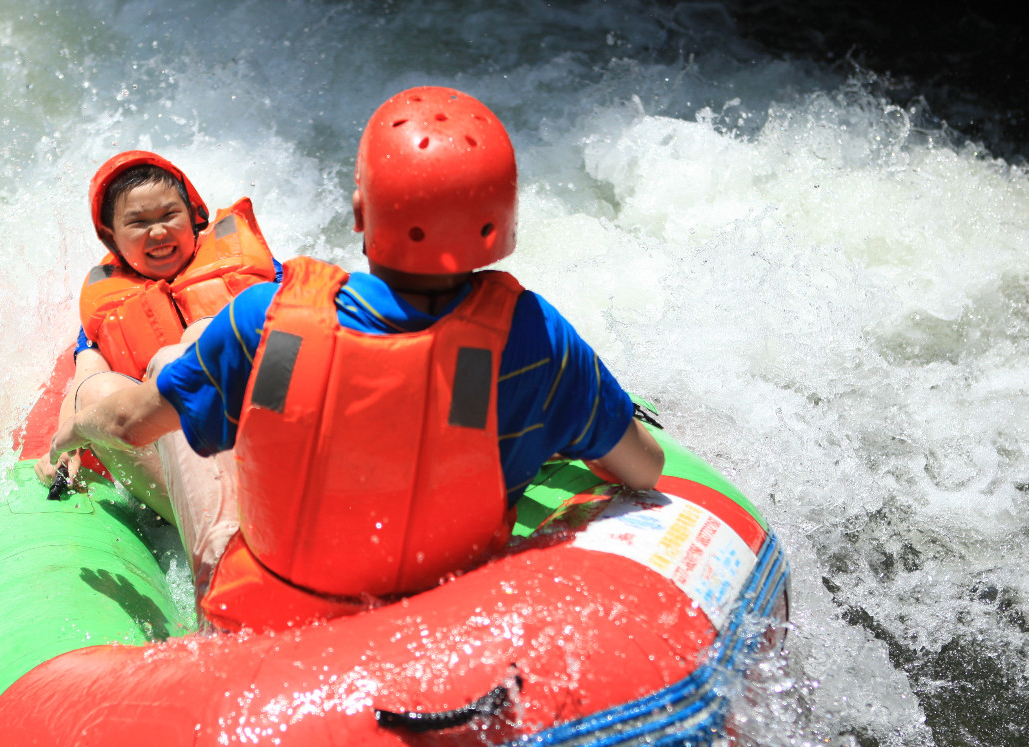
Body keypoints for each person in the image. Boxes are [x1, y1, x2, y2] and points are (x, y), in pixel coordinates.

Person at [51, 87, 663, 631]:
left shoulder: (264, 318)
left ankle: (213, 600)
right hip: (460, 608)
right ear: (503, 221)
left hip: (277, 620)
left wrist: (76, 422)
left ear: (360, 212)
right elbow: (644, 470)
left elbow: (132, 425)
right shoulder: (540, 340)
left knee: (172, 365)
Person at [36, 150, 278, 519]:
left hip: (262, 429)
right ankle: (211, 524)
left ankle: (260, 506)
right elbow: (84, 379)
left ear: (195, 216)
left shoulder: (254, 269)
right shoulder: (107, 308)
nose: (159, 231)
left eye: (170, 215)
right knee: (95, 393)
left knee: (200, 333)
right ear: (111, 238)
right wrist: (65, 447)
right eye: (138, 223)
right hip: (176, 466)